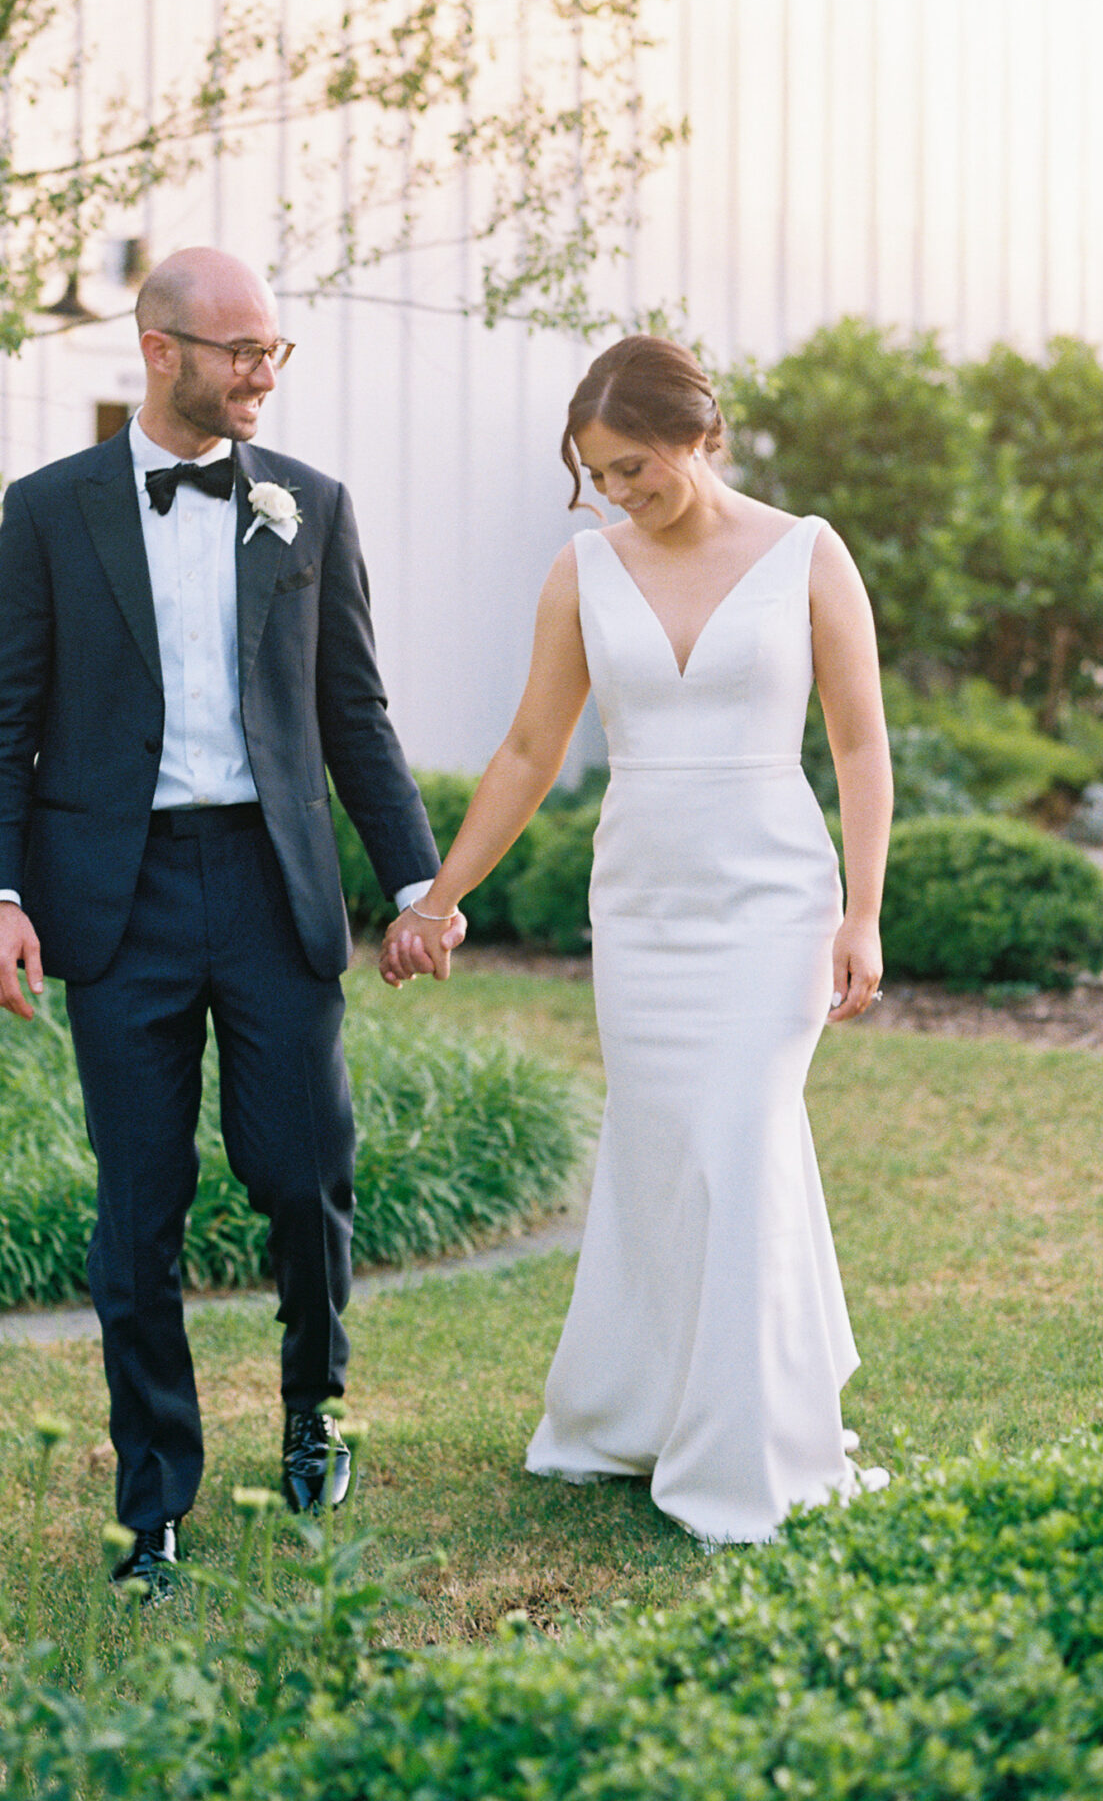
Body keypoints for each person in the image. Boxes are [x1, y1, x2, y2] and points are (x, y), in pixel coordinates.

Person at [0, 246, 454, 1596]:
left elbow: (353, 714)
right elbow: (1, 720)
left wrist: (418, 886)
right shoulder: (50, 513)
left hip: (269, 888)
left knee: (302, 1176)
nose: (260, 373)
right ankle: (153, 1507)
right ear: (156, 347)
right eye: (237, 350)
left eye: (272, 351)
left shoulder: (310, 506)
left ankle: (313, 1415)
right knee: (141, 1210)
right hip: (110, 907)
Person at [381, 334, 892, 1544]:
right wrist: (437, 893)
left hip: (771, 900)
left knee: (737, 1137)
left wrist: (861, 910)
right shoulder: (580, 572)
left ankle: (746, 1448)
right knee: (668, 1151)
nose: (618, 493)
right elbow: (526, 751)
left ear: (695, 435)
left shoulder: (808, 554)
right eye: (596, 476)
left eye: (632, 468)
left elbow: (861, 748)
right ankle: (644, 1409)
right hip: (645, 906)